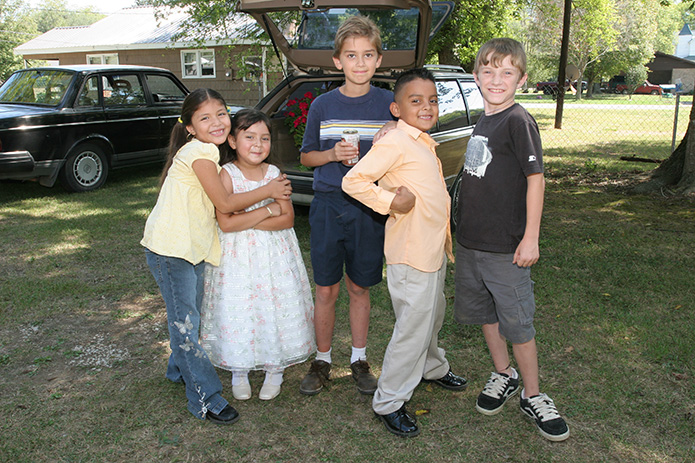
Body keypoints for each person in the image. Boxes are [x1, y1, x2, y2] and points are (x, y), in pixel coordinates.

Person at [141, 89, 292, 424]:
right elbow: (225, 204)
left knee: (185, 316)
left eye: (221, 113)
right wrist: (269, 193)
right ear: (190, 127)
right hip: (170, 249)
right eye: (205, 117)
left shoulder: (207, 151)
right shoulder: (199, 152)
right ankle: (206, 399)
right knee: (185, 324)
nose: (217, 122)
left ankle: (177, 369)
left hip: (191, 248)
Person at [453, 38, 570, 442]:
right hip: (470, 245)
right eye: (489, 71)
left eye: (507, 72)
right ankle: (503, 373)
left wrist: (531, 237)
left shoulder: (518, 121)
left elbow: (535, 180)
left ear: (521, 79)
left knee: (516, 322)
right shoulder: (483, 121)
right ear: (476, 76)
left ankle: (533, 394)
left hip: (506, 248)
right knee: (485, 313)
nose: (496, 79)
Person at [342, 68, 468, 437]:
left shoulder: (419, 140)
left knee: (431, 317)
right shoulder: (396, 141)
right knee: (412, 328)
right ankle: (389, 401)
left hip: (431, 250)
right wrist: (391, 202)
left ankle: (432, 367)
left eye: (432, 100)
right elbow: (354, 181)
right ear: (397, 108)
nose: (426, 106)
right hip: (411, 254)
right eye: (416, 101)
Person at [298, 15, 395, 396]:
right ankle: (322, 360)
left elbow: (409, 147)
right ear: (337, 61)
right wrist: (331, 154)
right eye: (351, 55)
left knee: (359, 287)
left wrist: (394, 134)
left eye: (367, 55)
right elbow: (306, 157)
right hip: (326, 205)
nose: (359, 63)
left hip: (368, 209)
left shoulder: (390, 104)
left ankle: (358, 359)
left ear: (378, 60)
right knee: (325, 289)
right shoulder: (322, 105)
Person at [200, 109, 315, 401]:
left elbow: (287, 219)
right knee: (238, 306)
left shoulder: (275, 174)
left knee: (272, 304)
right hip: (236, 258)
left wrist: (246, 216)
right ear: (232, 140)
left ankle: (274, 368)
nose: (257, 144)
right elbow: (225, 222)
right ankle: (240, 369)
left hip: (274, 255)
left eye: (264, 138)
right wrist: (267, 208)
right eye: (249, 137)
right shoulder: (226, 174)